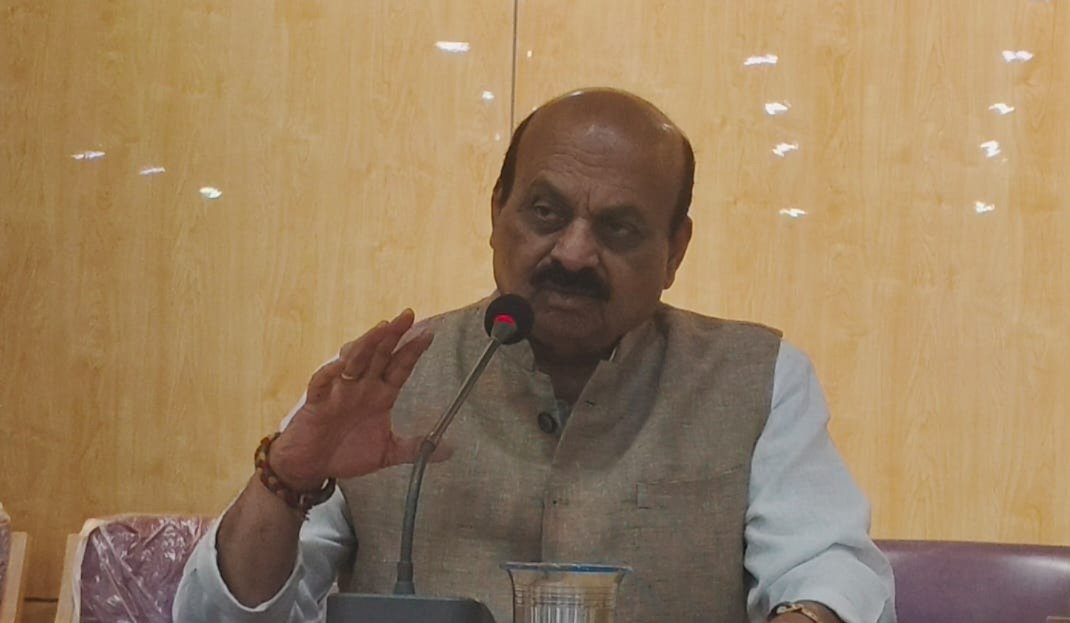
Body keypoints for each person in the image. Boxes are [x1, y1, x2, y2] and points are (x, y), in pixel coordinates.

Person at [173, 88, 896, 623]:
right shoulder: (392, 380)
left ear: (675, 250)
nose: (574, 252)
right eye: (546, 212)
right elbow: (216, 619)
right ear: (497, 213)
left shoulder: (755, 380)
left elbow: (831, 572)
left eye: (618, 227)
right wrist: (289, 477)